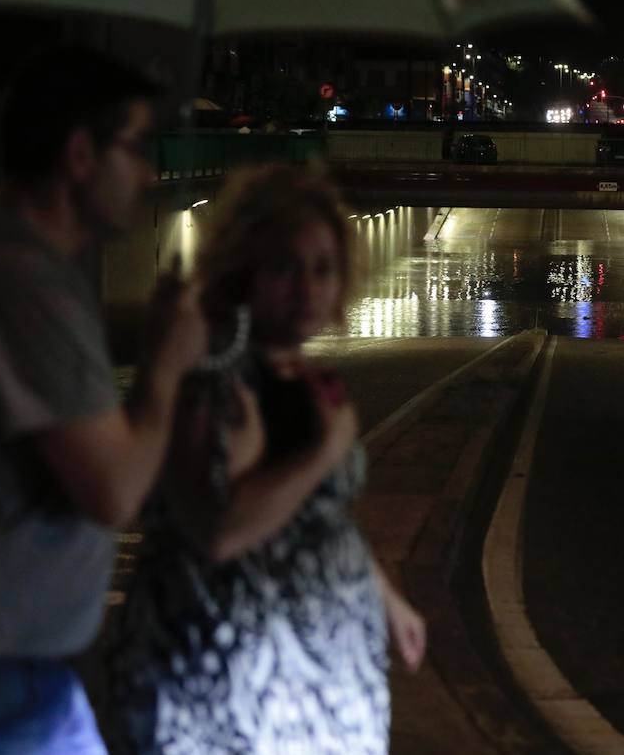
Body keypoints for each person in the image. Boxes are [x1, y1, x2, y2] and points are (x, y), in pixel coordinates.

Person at [0, 45, 208, 752]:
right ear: (81, 154)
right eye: (137, 146)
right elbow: (112, 487)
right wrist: (166, 363)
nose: (149, 173)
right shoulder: (20, 283)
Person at [109, 165, 426, 754]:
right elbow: (221, 532)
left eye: (323, 268)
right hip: (239, 692)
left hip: (313, 687)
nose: (307, 287)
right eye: (284, 267)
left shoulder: (303, 377)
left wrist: (385, 597)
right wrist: (326, 450)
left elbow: (318, 517)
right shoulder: (219, 385)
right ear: (242, 271)